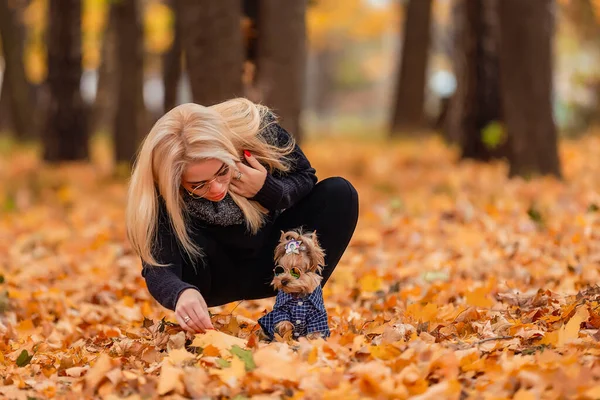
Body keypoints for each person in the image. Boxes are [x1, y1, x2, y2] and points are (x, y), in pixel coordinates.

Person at [126, 98, 359, 334]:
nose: (216, 189)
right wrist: (181, 293)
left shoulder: (257, 131)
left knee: (339, 193)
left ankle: (298, 311)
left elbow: (305, 177)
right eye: (198, 185)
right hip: (210, 275)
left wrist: (268, 190)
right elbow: (159, 268)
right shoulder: (159, 189)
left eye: (222, 171)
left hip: (274, 261)